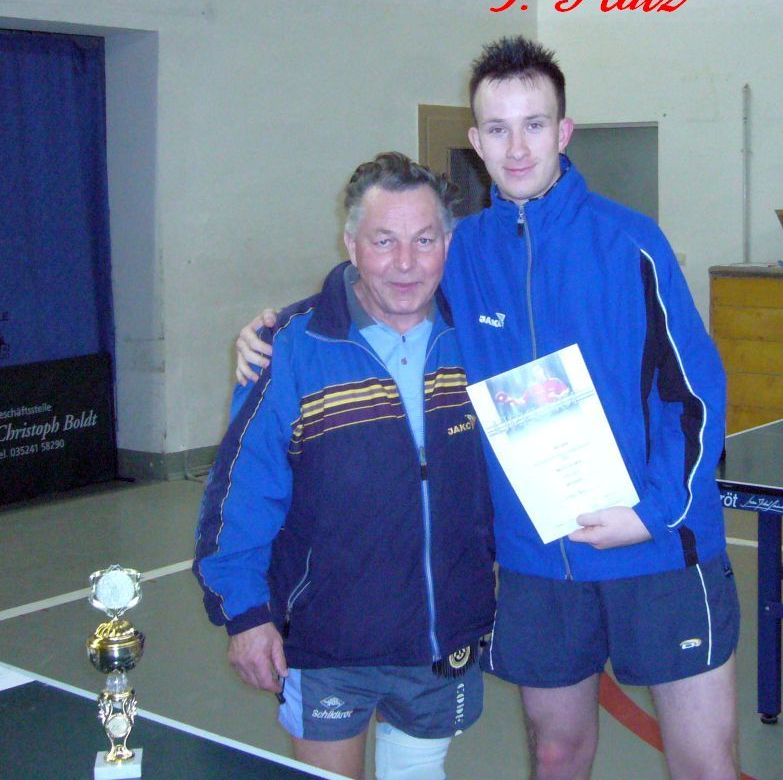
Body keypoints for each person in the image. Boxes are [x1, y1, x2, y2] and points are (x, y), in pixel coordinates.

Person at [238, 38, 739, 780]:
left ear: (564, 131)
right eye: (498, 129)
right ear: (475, 142)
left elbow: (697, 396)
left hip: (658, 545)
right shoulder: (460, 252)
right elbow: (381, 279)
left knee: (704, 763)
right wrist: (276, 329)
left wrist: (654, 513)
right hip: (536, 562)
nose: (517, 148)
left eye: (534, 125)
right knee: (557, 752)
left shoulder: (631, 244)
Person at [195, 152, 496, 780]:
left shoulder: (481, 340)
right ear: (351, 244)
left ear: (447, 244)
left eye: (424, 240)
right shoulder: (291, 349)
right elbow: (241, 494)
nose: (405, 263)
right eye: (384, 241)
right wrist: (246, 615)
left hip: (441, 638)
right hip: (328, 642)